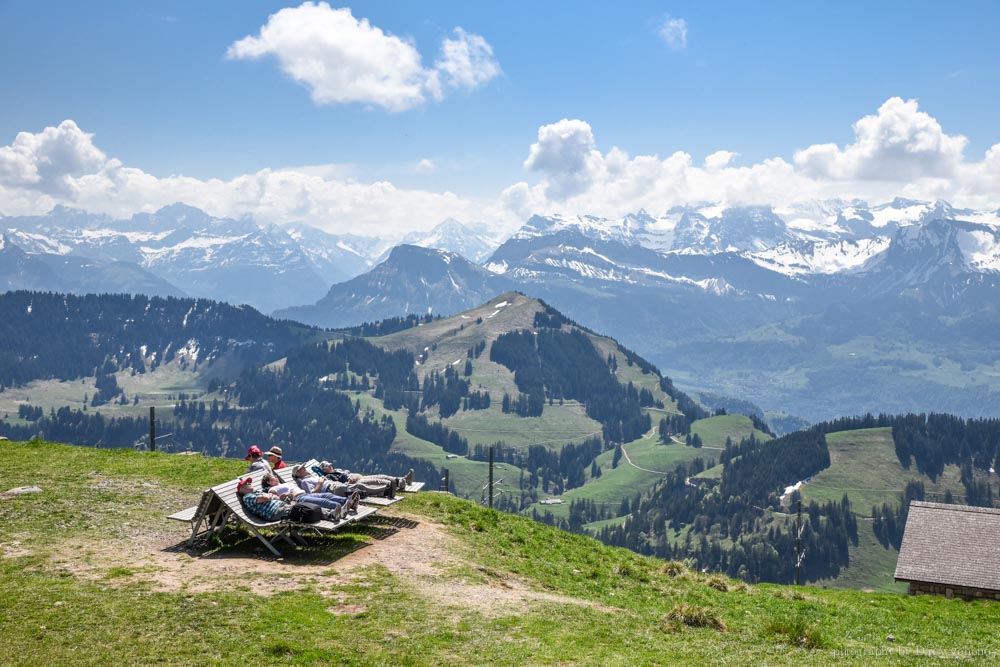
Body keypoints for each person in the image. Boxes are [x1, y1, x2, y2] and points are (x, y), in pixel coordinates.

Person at [262, 472, 359, 515]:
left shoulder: (284, 483)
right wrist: (286, 495)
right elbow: (276, 498)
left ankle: (348, 501)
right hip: (298, 499)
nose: (275, 477)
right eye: (272, 478)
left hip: (305, 494)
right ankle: (342, 508)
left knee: (327, 495)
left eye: (274, 476)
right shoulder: (272, 489)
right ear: (268, 483)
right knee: (323, 501)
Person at [317, 461, 414, 492]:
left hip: (358, 477)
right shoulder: (329, 476)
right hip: (354, 483)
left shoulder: (336, 470)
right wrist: (347, 479)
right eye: (329, 466)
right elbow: (338, 484)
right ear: (324, 470)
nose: (331, 466)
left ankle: (403, 480)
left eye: (330, 465)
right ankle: (398, 484)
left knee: (381, 476)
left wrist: (345, 472)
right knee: (377, 481)